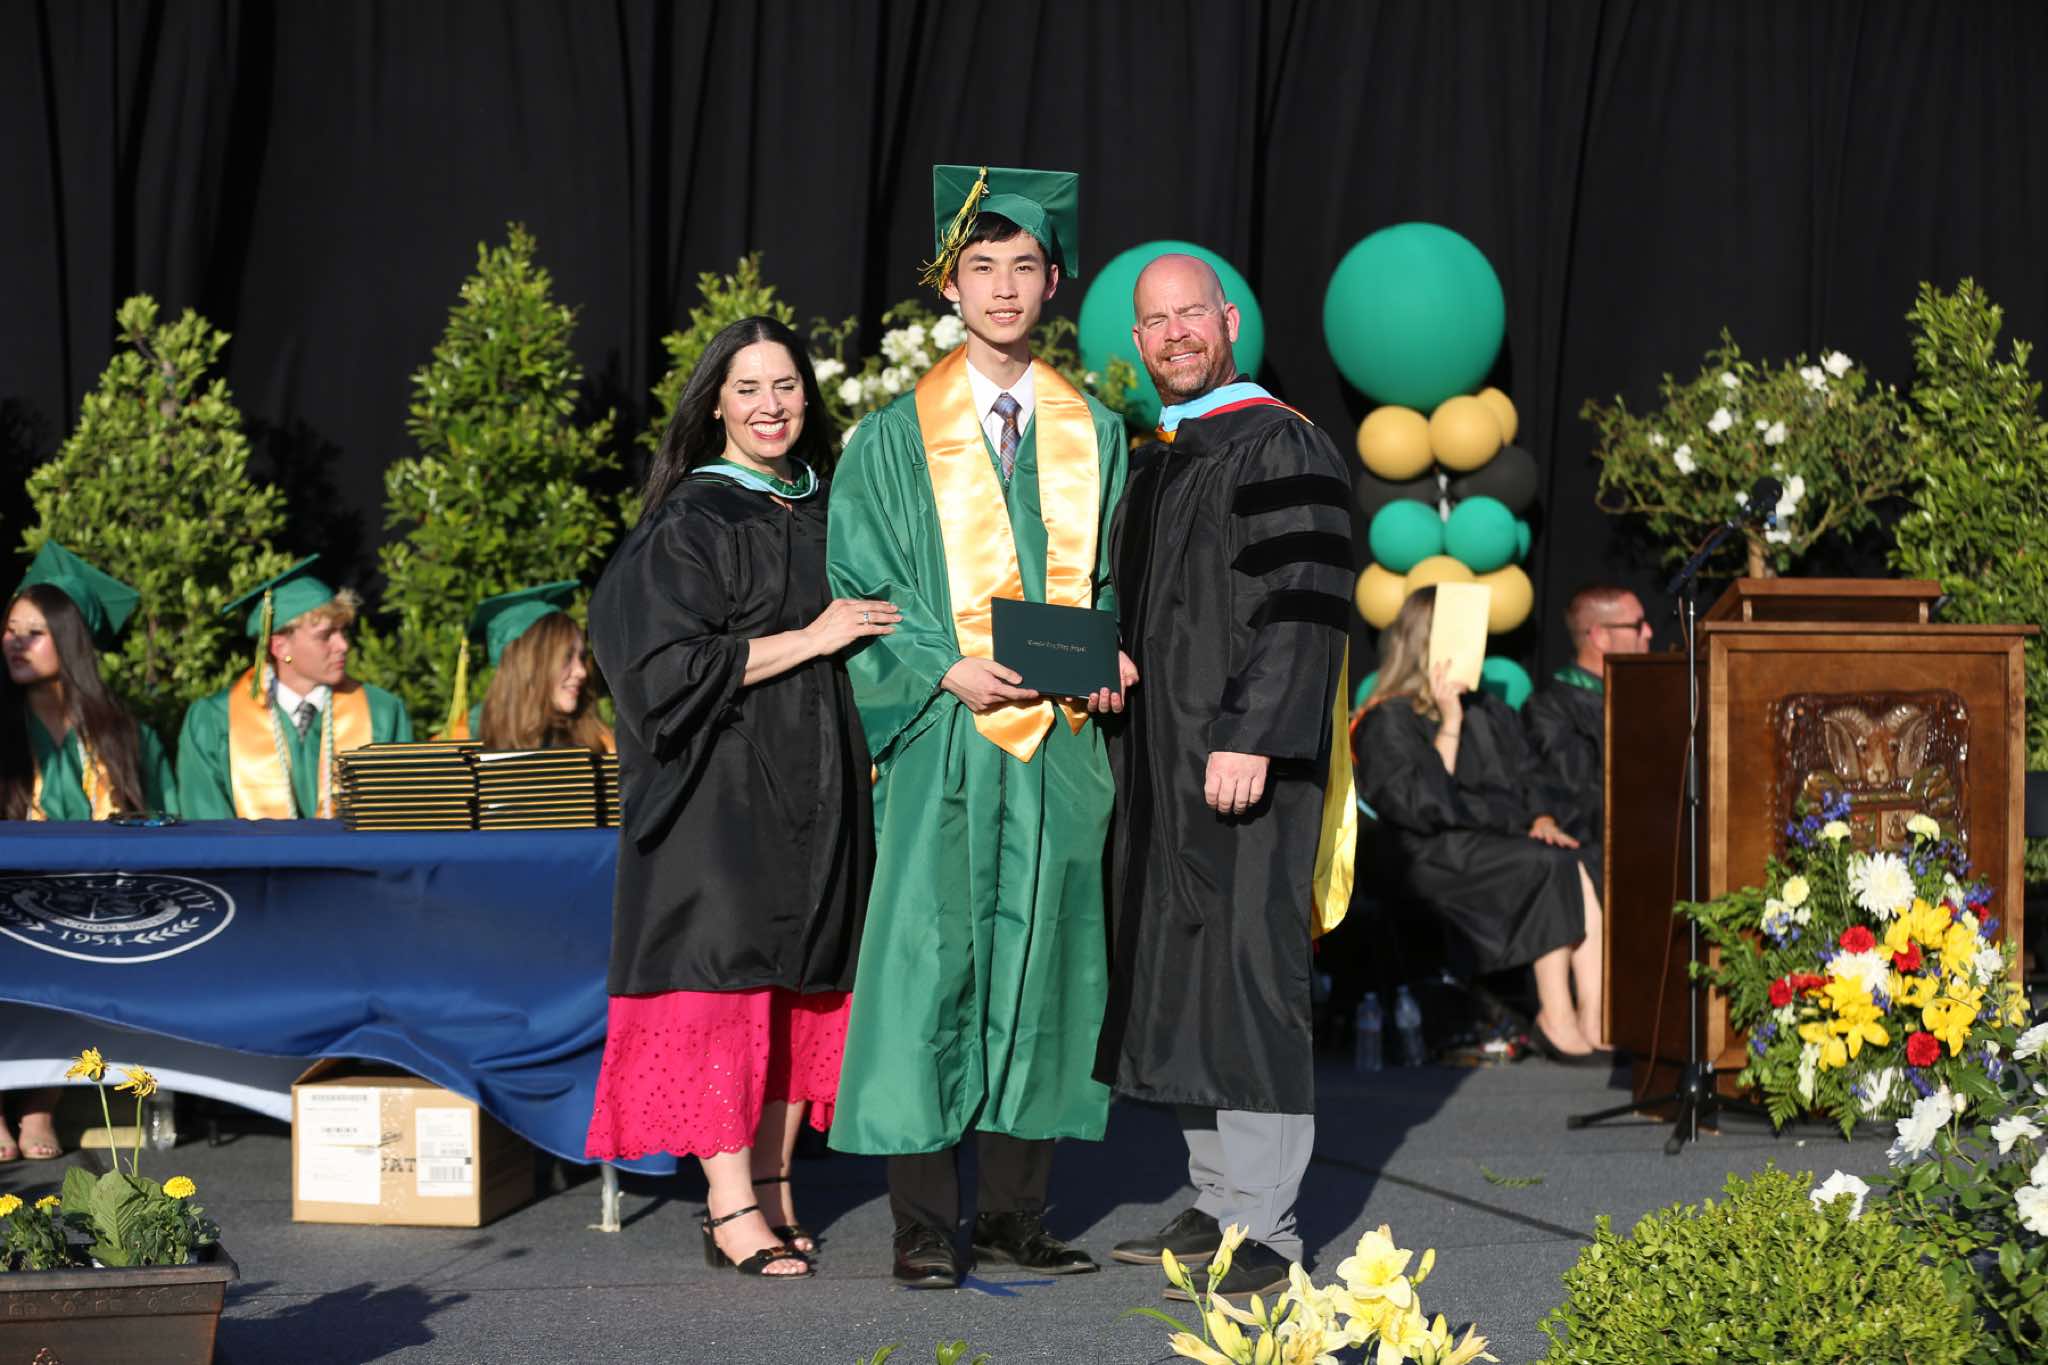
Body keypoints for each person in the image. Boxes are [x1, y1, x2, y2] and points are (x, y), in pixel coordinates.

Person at [826, 165, 1128, 1289]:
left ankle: (1012, 1213)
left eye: (1023, 267)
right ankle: (919, 1224)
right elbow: (860, 590)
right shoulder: (889, 440)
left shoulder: (1096, 433)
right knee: (927, 964)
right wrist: (938, 667)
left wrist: (1107, 656)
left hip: (1056, 745)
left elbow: (1107, 581)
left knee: (1046, 964)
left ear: (1053, 283)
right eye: (981, 266)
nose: (1003, 287)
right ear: (948, 287)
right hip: (942, 737)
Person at [584, 315, 892, 1281]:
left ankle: (774, 1181)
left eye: (786, 385)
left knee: (803, 986)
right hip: (719, 798)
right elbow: (659, 668)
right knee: (727, 985)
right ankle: (728, 1207)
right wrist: (814, 637)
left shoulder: (833, 506)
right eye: (748, 387)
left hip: (824, 789)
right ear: (715, 402)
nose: (770, 405)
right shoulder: (692, 519)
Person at [1093, 254, 1355, 1301]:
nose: (1173, 334)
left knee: (1247, 979)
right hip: (1162, 766)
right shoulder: (1157, 459)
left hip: (1243, 763)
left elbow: (1304, 602)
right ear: (1138, 340)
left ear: (1229, 320)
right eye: (1154, 322)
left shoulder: (1280, 443)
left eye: (1189, 314)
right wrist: (1105, 661)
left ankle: (1267, 1225)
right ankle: (1216, 1198)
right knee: (1183, 975)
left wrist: (1253, 733)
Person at [1353, 586, 1609, 1064]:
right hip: (1430, 855)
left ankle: (1593, 1016)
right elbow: (1425, 805)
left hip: (1494, 842)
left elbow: (1531, 778)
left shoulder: (1490, 711)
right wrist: (1449, 721)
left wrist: (1543, 818)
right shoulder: (1388, 718)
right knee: (1547, 865)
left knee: (1579, 855)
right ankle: (1556, 1015)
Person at [2, 541, 179, 1162]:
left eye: (35, 632)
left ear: (72, 642)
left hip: (90, 905)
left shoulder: (126, 736)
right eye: (10, 630)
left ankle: (39, 1103)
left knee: (84, 948)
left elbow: (166, 825)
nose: (15, 643)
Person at [176, 556, 412, 819]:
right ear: (280, 647)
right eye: (325, 635)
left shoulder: (382, 712)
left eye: (342, 632)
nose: (343, 645)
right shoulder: (214, 721)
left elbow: (400, 822)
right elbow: (208, 827)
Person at [1523, 584, 1652, 861]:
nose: (1649, 633)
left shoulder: (1646, 697)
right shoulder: (1550, 708)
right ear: (1601, 636)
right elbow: (1578, 794)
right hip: (1601, 852)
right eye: (1638, 625)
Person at [436, 581, 614, 753]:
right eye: (566, 658)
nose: (582, 672)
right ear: (528, 665)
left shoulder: (601, 744)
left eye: (581, 657)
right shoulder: (462, 741)